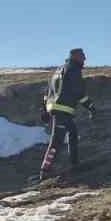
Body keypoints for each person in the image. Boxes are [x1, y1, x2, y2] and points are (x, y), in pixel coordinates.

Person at [33, 47, 96, 183]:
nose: (85, 59)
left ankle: (74, 163)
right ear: (75, 56)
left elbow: (47, 92)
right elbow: (78, 91)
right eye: (83, 56)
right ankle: (45, 170)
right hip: (63, 110)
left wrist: (44, 109)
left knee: (73, 133)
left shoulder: (58, 70)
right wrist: (90, 106)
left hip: (57, 109)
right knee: (56, 141)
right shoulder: (73, 70)